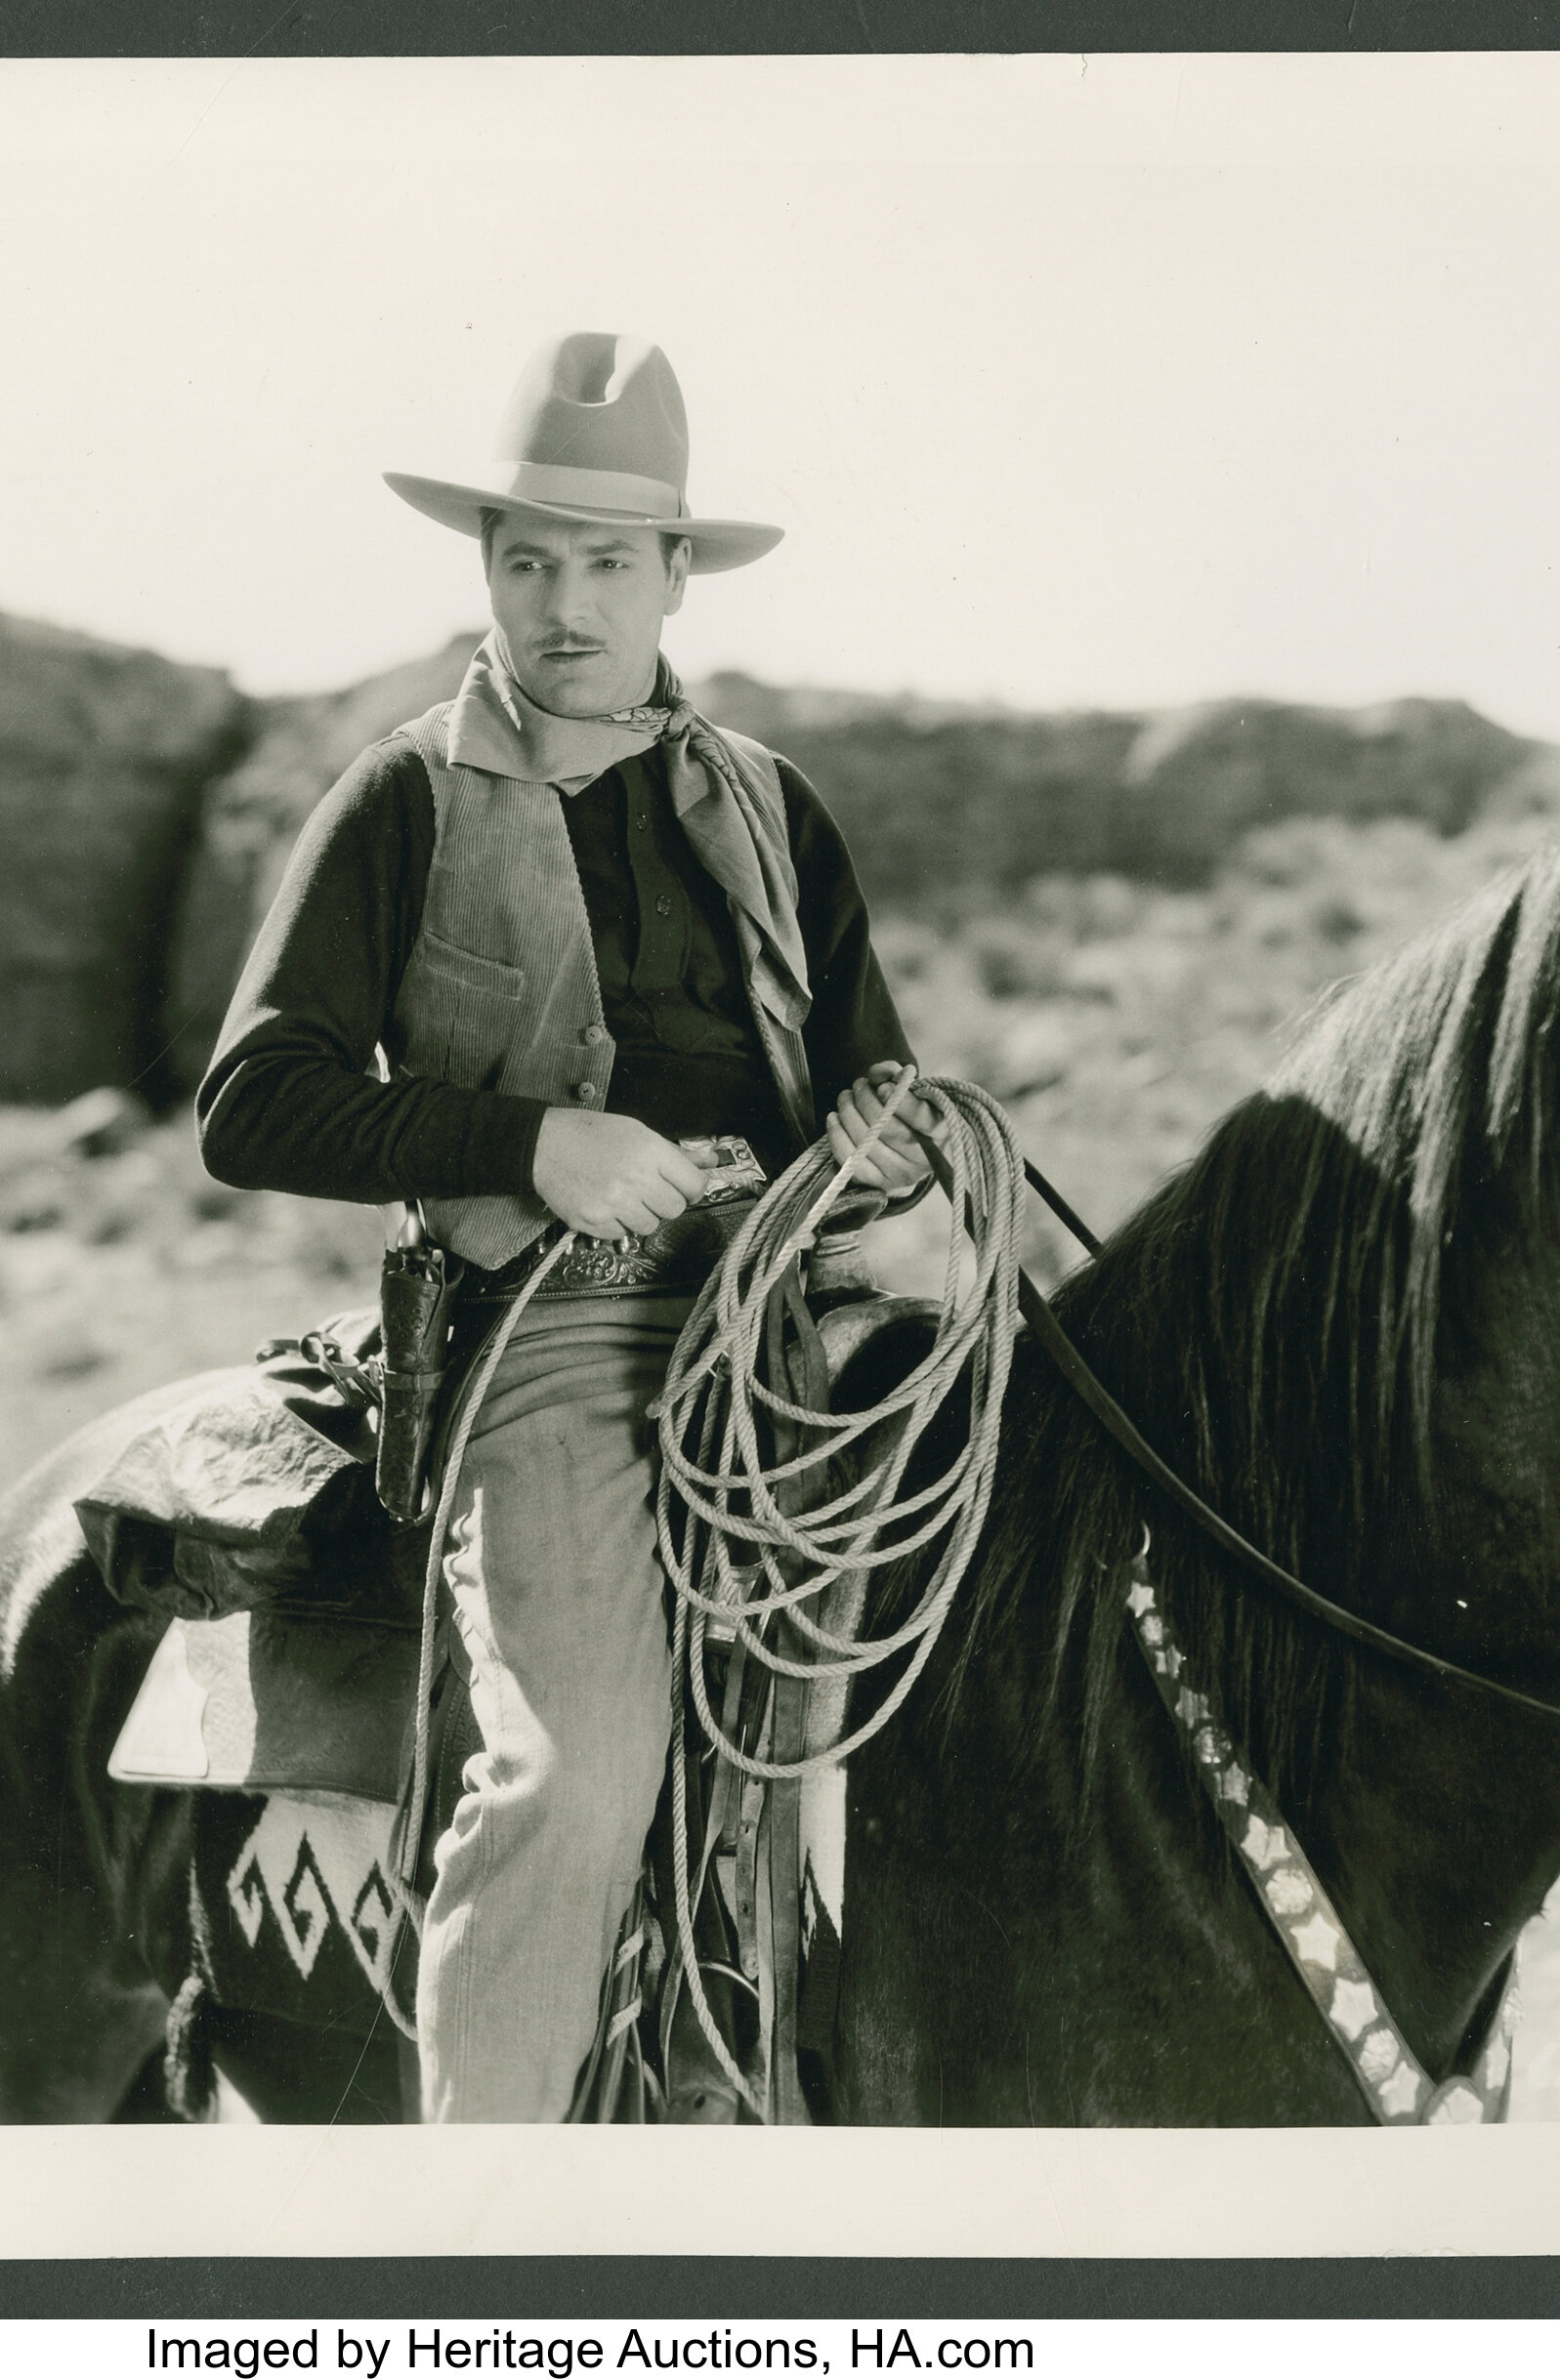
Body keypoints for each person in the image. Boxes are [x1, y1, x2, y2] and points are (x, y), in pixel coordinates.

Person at [196, 332, 937, 2120]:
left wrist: (888, 1149)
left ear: (678, 573)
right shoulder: (407, 793)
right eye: (527, 557)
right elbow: (253, 1100)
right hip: (555, 1323)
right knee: (583, 1767)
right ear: (487, 573)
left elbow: (878, 1077)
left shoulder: (773, 808)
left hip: (793, 1303)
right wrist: (533, 1145)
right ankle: (486, 2235)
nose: (564, 601)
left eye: (607, 559)